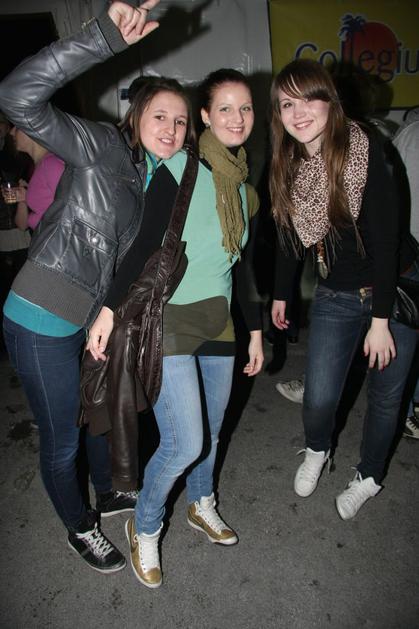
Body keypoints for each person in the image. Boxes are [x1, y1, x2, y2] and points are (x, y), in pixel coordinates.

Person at [0, 0, 195, 573]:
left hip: (86, 320)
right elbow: (16, 97)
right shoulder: (104, 146)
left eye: (182, 121)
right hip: (40, 313)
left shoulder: (151, 178)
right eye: (161, 115)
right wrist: (102, 38)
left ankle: (106, 491)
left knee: (92, 416)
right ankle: (78, 525)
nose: (172, 129)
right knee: (61, 439)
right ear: (136, 117)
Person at [88, 68, 264, 588]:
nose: (237, 118)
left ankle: (201, 502)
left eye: (246, 108)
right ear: (205, 117)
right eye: (224, 108)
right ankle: (145, 527)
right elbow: (144, 244)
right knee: (185, 441)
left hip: (220, 323)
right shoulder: (180, 167)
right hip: (170, 321)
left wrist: (254, 330)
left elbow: (241, 266)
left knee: (214, 431)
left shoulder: (243, 188)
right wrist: (108, 311)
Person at [270, 59, 418, 520]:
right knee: (319, 396)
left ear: (330, 101)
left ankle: (369, 477)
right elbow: (289, 236)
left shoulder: (364, 149)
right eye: (286, 104)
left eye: (308, 99)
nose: (298, 113)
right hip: (336, 291)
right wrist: (281, 293)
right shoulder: (288, 162)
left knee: (387, 396)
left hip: (394, 287)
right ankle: (318, 449)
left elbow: (387, 242)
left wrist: (380, 320)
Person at [393, 107, 419, 439]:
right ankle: (408, 408)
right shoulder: (411, 135)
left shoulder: (407, 135)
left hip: (407, 247)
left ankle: (409, 407)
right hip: (408, 251)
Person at [8, 128, 65, 231]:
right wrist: (23, 199)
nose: (11, 132)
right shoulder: (36, 166)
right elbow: (22, 225)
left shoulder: (51, 164)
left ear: (32, 129)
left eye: (16, 127)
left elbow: (70, 210)